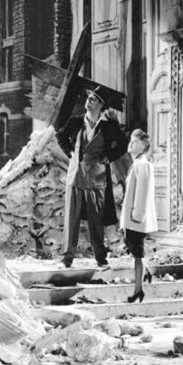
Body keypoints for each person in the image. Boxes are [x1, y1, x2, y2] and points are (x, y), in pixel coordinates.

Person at [56, 86, 128, 269]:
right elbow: (60, 137)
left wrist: (108, 157)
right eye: (89, 97)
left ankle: (101, 259)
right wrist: (71, 152)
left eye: (94, 99)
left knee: (96, 221)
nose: (89, 100)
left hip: (97, 178)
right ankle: (66, 259)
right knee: (71, 219)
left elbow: (123, 144)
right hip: (75, 176)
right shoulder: (75, 122)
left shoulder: (109, 126)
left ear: (101, 105)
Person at [120, 129, 157, 303]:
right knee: (134, 251)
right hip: (131, 218)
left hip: (136, 218)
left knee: (138, 255)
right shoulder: (136, 164)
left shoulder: (143, 165)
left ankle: (138, 290)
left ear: (143, 147)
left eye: (135, 142)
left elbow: (142, 193)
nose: (131, 144)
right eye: (131, 140)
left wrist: (137, 216)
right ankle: (146, 273)